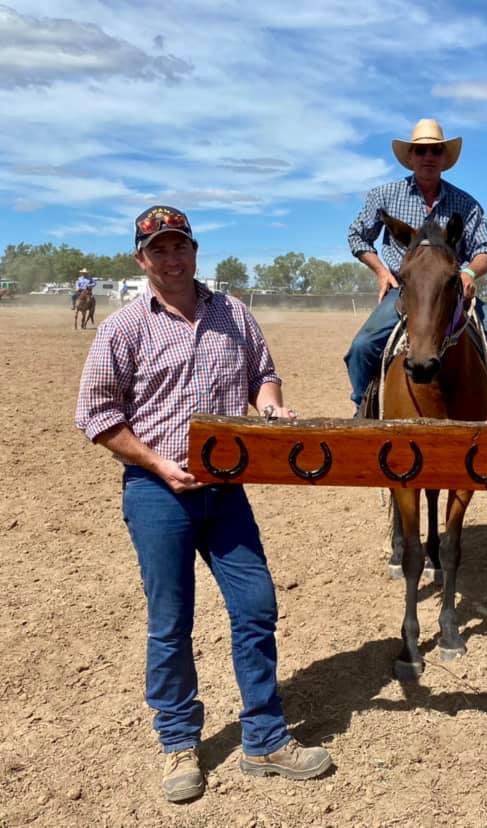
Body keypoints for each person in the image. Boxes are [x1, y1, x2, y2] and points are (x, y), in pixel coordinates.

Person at [76, 205, 331, 803]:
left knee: (256, 606)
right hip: (157, 493)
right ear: (142, 260)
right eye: (158, 250)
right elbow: (97, 415)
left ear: (194, 250)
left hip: (226, 489)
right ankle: (179, 744)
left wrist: (270, 407)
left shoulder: (233, 314)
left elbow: (263, 375)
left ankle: (265, 739)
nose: (172, 258)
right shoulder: (124, 328)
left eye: (180, 246)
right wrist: (157, 464)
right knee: (171, 622)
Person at [345, 118, 487, 414]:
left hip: (452, 290)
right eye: (421, 150)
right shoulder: (384, 196)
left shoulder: (466, 203)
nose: (429, 157)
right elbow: (357, 235)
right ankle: (362, 415)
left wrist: (469, 272)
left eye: (436, 151)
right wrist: (381, 272)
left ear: (444, 158)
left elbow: (486, 249)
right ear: (411, 156)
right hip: (405, 290)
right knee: (362, 348)